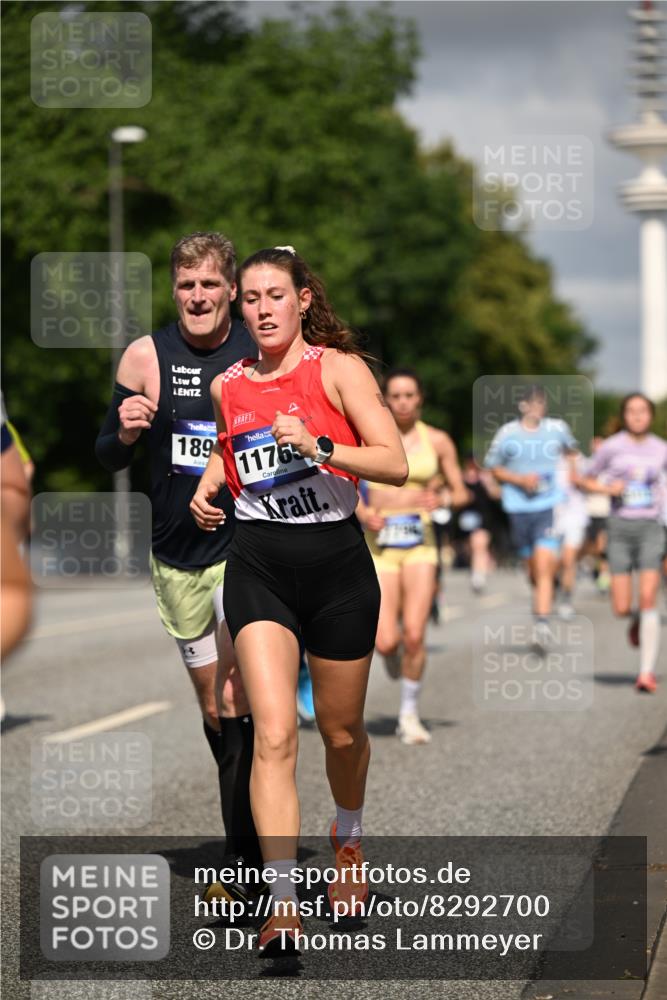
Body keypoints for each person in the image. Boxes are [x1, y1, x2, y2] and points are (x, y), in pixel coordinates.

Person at [191, 246, 407, 955]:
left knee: (340, 734)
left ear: (303, 299)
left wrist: (319, 445)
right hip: (259, 566)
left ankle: (347, 841)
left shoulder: (336, 370)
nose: (261, 309)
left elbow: (394, 463)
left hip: (337, 567)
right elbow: (235, 458)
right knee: (275, 734)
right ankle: (281, 903)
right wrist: (208, 486)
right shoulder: (228, 385)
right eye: (248, 298)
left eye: (274, 296)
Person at [95, 232, 263, 883]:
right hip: (175, 555)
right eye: (185, 285)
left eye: (209, 285)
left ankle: (242, 854)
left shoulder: (254, 352)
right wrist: (127, 430)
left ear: (229, 290)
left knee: (237, 688)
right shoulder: (145, 355)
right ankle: (248, 807)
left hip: (243, 544)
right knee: (215, 708)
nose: (197, 297)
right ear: (176, 290)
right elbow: (107, 451)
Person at [356, 369, 469, 745]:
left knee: (416, 634)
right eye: (396, 395)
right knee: (386, 641)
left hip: (421, 544)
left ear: (420, 398)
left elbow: (461, 491)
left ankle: (409, 715)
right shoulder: (369, 436)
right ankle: (392, 654)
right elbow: (342, 479)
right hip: (380, 544)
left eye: (409, 395)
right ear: (385, 399)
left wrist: (445, 499)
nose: (403, 401)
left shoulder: (437, 440)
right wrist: (361, 512)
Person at [581, 393, 667, 693]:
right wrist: (606, 488)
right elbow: (584, 479)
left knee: (648, 599)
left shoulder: (661, 449)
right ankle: (635, 621)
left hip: (650, 527)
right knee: (620, 606)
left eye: (642, 411)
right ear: (624, 415)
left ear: (650, 415)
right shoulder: (611, 447)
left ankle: (646, 673)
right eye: (631, 411)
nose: (637, 416)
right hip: (618, 527)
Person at [484, 384, 578, 646]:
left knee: (544, 564)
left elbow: (572, 453)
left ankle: (542, 624)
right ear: (522, 405)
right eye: (532, 403)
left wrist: (572, 477)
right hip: (518, 509)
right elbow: (494, 469)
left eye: (541, 403)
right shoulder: (507, 433)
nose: (537, 408)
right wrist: (520, 479)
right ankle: (546, 594)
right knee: (533, 571)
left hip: (548, 507)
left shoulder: (557, 429)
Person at [454, 453, 503, 594]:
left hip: (483, 519)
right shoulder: (460, 477)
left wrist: (488, 483)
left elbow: (496, 495)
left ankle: (478, 577)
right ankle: (476, 570)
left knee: (479, 544)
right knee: (470, 548)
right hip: (464, 521)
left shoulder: (485, 477)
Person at [553, 453, 589, 619]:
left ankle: (566, 600)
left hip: (575, 517)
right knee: (552, 563)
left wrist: (574, 465)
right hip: (552, 517)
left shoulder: (584, 462)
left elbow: (584, 484)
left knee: (569, 559)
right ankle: (555, 584)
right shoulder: (549, 459)